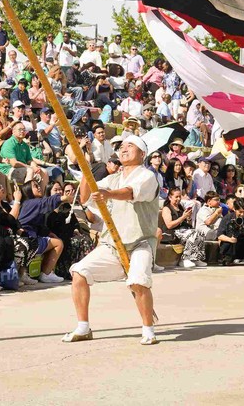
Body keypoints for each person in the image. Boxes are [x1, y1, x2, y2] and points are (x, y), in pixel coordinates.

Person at [64, 135, 161, 346]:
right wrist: (85, 170)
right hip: (112, 244)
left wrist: (107, 194)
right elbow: (85, 198)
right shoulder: (113, 177)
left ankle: (148, 329)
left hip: (140, 242)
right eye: (122, 146)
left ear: (142, 154)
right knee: (79, 272)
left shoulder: (147, 176)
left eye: (131, 145)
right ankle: (83, 327)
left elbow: (129, 193)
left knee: (138, 281)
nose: (124, 148)